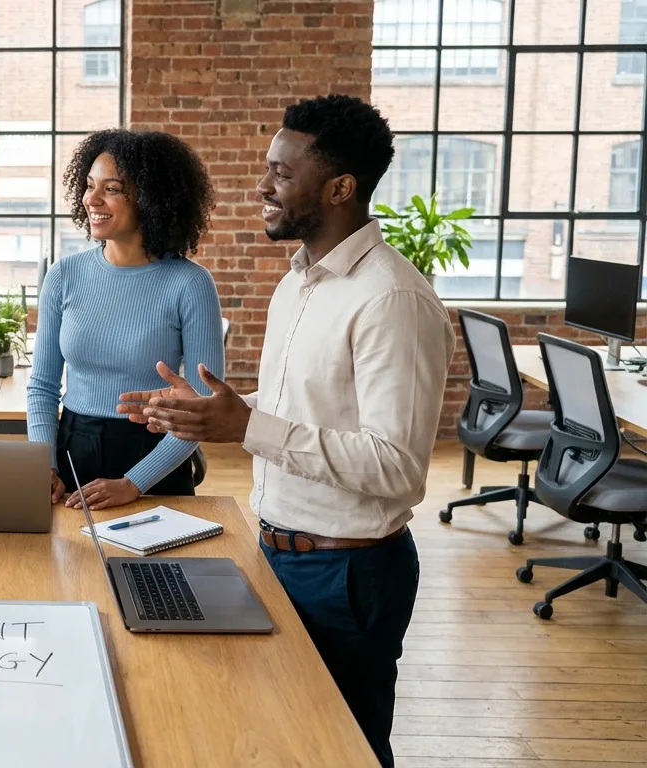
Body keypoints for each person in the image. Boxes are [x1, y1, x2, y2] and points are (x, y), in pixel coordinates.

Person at [118, 95, 453, 768]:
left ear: (339, 187)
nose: (262, 185)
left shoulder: (392, 300)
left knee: (345, 750)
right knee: (281, 736)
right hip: (280, 551)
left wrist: (247, 426)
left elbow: (396, 467)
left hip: (349, 570)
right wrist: (213, 409)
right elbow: (299, 402)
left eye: (280, 171)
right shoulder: (299, 282)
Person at [28, 129, 224, 511]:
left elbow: (203, 408)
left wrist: (134, 483)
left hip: (156, 456)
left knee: (155, 571)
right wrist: (44, 465)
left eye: (112, 189)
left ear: (152, 199)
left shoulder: (191, 284)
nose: (92, 199)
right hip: (73, 449)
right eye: (89, 185)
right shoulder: (64, 275)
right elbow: (42, 387)